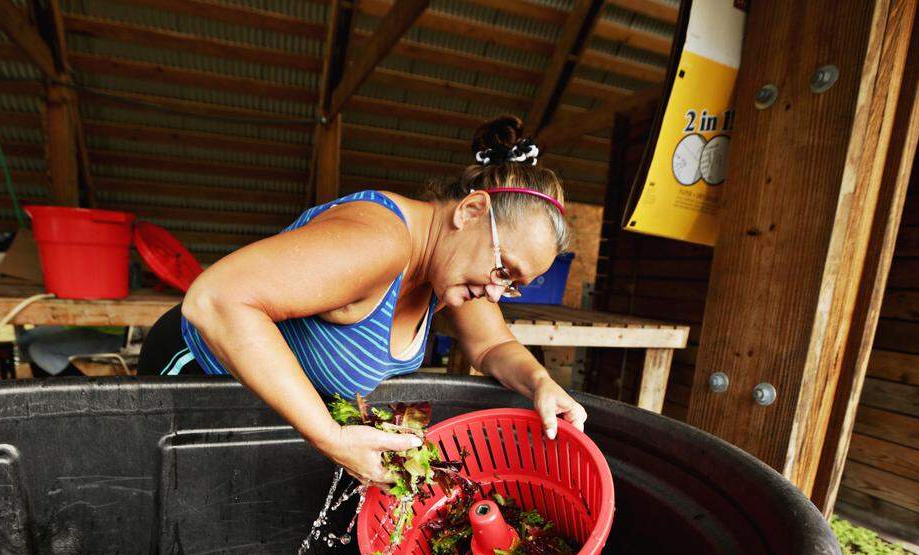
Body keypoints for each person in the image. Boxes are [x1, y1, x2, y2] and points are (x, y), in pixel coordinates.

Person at [138, 115, 588, 484]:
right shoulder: (378, 243)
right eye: (503, 269)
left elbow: (492, 347)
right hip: (193, 379)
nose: (495, 292)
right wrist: (331, 437)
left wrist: (540, 383)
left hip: (259, 408)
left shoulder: (452, 270)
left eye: (512, 284)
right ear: (470, 212)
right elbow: (216, 300)